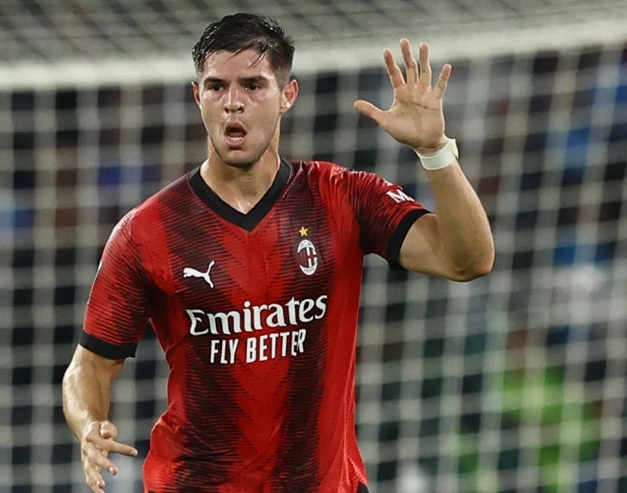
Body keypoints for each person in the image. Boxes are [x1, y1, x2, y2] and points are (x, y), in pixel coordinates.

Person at [61, 12, 494, 493]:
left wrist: (434, 150)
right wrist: (88, 424)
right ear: (196, 96)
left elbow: (468, 260)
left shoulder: (344, 197)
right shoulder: (146, 231)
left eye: (252, 85)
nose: (233, 104)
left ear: (288, 95)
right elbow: (89, 366)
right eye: (216, 87)